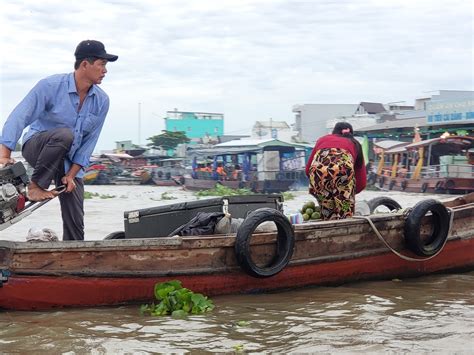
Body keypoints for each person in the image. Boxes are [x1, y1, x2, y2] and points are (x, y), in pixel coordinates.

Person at [0, 40, 118, 240]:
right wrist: (4, 154)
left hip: (68, 161)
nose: (105, 70)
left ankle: (72, 260)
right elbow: (20, 116)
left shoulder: (102, 101)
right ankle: (35, 186)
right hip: (38, 148)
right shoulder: (51, 86)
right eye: (102, 64)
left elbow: (89, 143)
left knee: (76, 221)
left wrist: (71, 175)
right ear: (85, 64)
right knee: (65, 135)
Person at [305, 122, 367, 220]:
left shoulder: (322, 140)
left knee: (327, 213)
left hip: (318, 174)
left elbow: (308, 168)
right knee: (345, 213)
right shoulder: (355, 143)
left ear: (334, 132)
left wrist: (318, 185)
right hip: (342, 173)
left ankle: (328, 230)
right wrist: (350, 193)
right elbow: (362, 179)